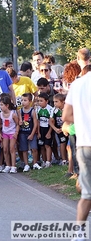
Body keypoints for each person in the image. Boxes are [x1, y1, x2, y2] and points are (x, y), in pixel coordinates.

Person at [62, 69, 91, 236]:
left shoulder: (78, 84)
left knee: (87, 194)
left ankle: (79, 234)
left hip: (85, 143)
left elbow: (66, 115)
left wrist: (82, 119)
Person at [18, 93, 40, 171]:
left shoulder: (33, 111)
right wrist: (20, 122)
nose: (23, 102)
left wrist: (32, 134)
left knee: (34, 148)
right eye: (22, 100)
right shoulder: (20, 111)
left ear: (30, 101)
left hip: (31, 132)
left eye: (25, 100)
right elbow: (19, 121)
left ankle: (35, 163)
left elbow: (35, 123)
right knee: (24, 149)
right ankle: (26, 164)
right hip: (23, 133)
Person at [0, 96, 20, 173]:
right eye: (0, 105)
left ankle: (13, 166)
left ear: (7, 105)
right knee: (5, 149)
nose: (1, 107)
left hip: (12, 133)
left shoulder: (13, 114)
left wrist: (16, 133)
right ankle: (8, 165)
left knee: (12, 149)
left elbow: (17, 124)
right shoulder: (0, 114)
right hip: (5, 133)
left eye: (2, 105)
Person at [49, 94, 67, 165]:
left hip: (67, 128)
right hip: (59, 129)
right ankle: (64, 160)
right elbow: (50, 121)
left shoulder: (67, 108)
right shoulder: (54, 110)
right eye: (54, 102)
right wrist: (55, 129)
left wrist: (64, 127)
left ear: (63, 102)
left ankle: (70, 159)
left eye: (56, 102)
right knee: (62, 143)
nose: (55, 104)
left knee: (69, 145)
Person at [37, 92, 54, 168]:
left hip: (48, 128)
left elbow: (52, 122)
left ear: (46, 101)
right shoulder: (38, 109)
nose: (39, 103)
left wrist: (49, 132)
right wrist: (38, 132)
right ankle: (44, 161)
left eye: (41, 101)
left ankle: (48, 161)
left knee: (47, 145)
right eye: (38, 101)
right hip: (41, 129)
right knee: (42, 146)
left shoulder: (50, 109)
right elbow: (37, 121)